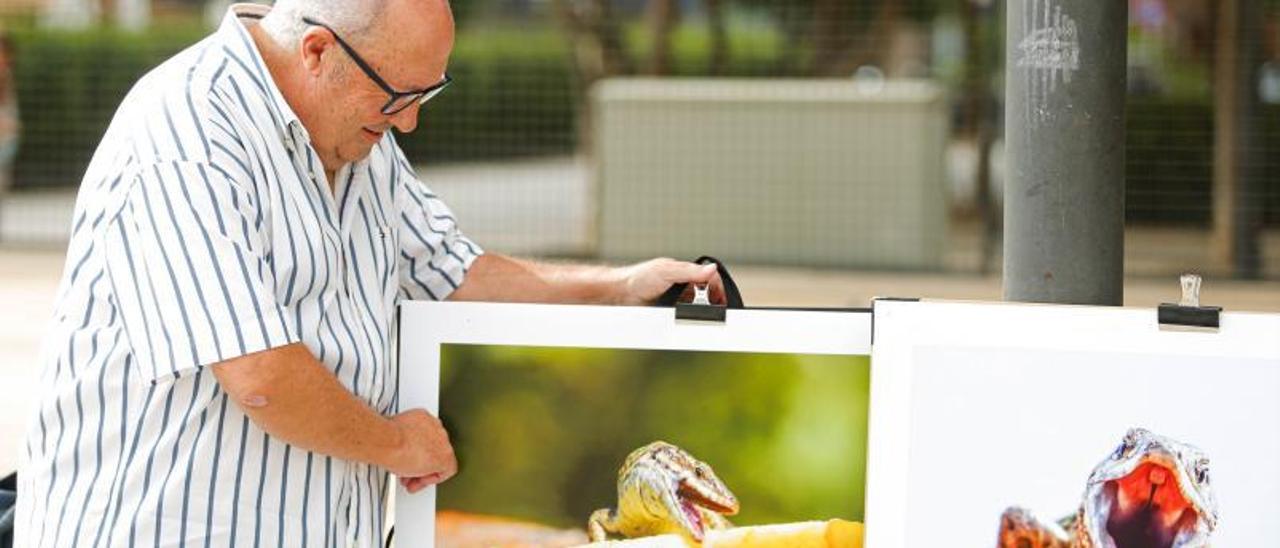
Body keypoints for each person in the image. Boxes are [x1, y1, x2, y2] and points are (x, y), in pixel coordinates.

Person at [15, 1, 724, 546]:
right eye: (398, 95)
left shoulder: (355, 134)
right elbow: (259, 373)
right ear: (318, 50)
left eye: (427, 92)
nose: (410, 122)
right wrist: (396, 443)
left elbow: (453, 271)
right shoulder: (186, 132)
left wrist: (618, 287)